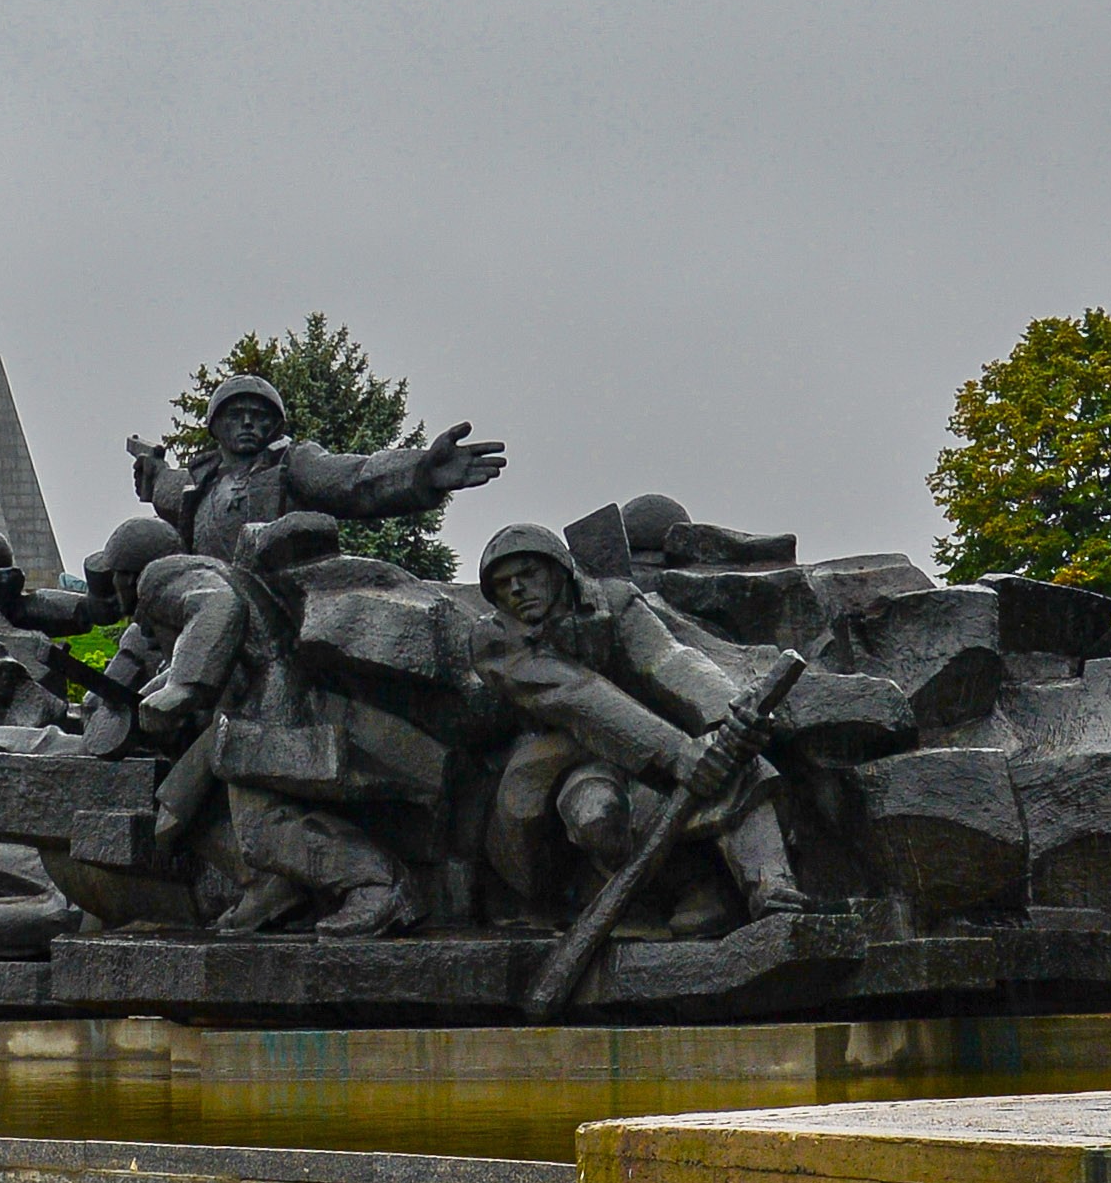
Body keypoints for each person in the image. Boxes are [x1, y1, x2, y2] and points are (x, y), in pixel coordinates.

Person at [470, 523, 810, 935]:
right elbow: (577, 696)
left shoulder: (616, 600)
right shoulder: (494, 639)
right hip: (572, 758)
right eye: (504, 584)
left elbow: (668, 660)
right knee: (595, 815)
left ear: (560, 569)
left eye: (528, 574)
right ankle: (689, 887)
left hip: (659, 736)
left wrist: (729, 714)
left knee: (735, 760)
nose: (517, 589)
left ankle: (771, 883)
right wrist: (677, 753)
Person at [131, 374, 506, 569]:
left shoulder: (292, 463)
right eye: (235, 414)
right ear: (215, 425)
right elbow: (163, 484)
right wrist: (151, 470)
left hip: (276, 598)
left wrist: (421, 470)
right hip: (205, 599)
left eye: (259, 415)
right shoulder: (196, 482)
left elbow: (357, 478)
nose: (247, 422)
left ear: (274, 425)